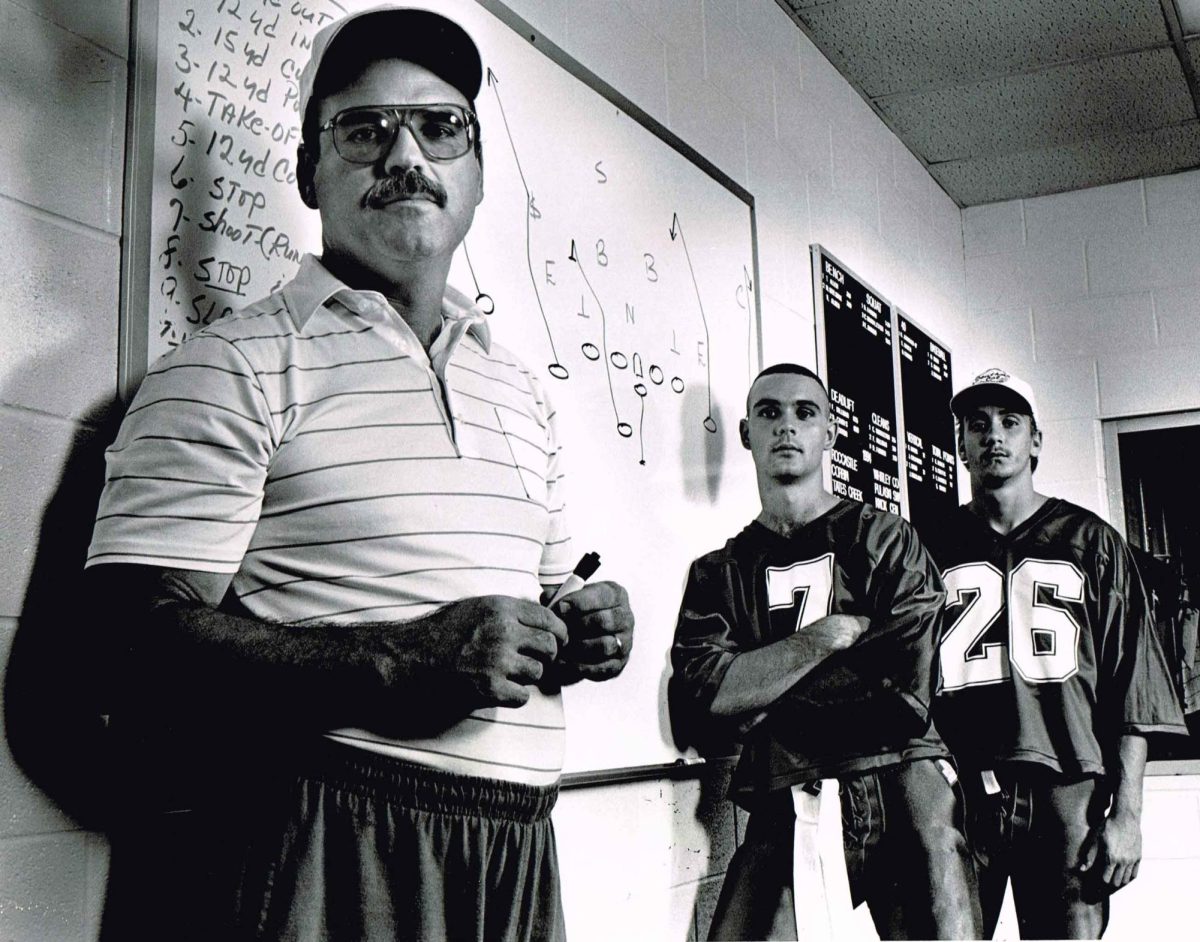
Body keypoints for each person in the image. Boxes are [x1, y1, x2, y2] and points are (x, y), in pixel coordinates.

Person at [86, 7, 633, 941]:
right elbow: (128, 642)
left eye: (440, 124)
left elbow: (533, 606)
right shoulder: (231, 365)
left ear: (477, 176)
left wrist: (587, 629)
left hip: (517, 847)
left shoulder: (522, 393)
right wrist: (399, 660)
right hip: (321, 831)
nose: (404, 154)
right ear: (310, 171)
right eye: (365, 128)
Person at [669, 363, 980, 940]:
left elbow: (902, 688)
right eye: (769, 413)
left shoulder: (884, 536)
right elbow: (702, 695)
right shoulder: (718, 571)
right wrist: (825, 638)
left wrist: (761, 697)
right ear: (745, 433)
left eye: (804, 412)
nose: (786, 426)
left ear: (830, 432)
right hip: (787, 788)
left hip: (902, 774)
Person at [925, 367, 1187, 939]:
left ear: (1036, 439)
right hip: (960, 789)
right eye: (978, 424)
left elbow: (1131, 691)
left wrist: (1129, 815)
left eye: (1010, 422)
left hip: (1069, 786)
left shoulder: (1091, 541)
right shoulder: (929, 546)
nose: (994, 435)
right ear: (962, 446)